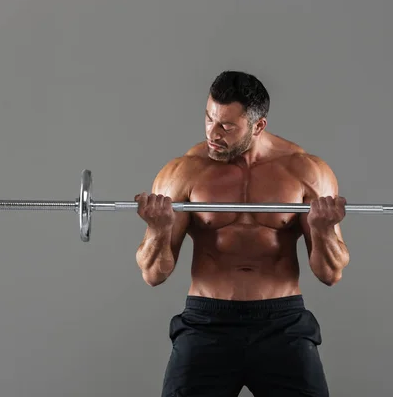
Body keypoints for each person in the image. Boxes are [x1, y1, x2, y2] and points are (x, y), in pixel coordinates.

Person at [135, 71, 350, 397]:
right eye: (209, 118)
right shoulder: (184, 172)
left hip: (283, 323)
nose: (212, 133)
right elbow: (153, 274)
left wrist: (322, 232)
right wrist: (158, 229)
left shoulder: (306, 171)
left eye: (226, 126)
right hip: (207, 322)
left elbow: (331, 274)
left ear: (258, 125)